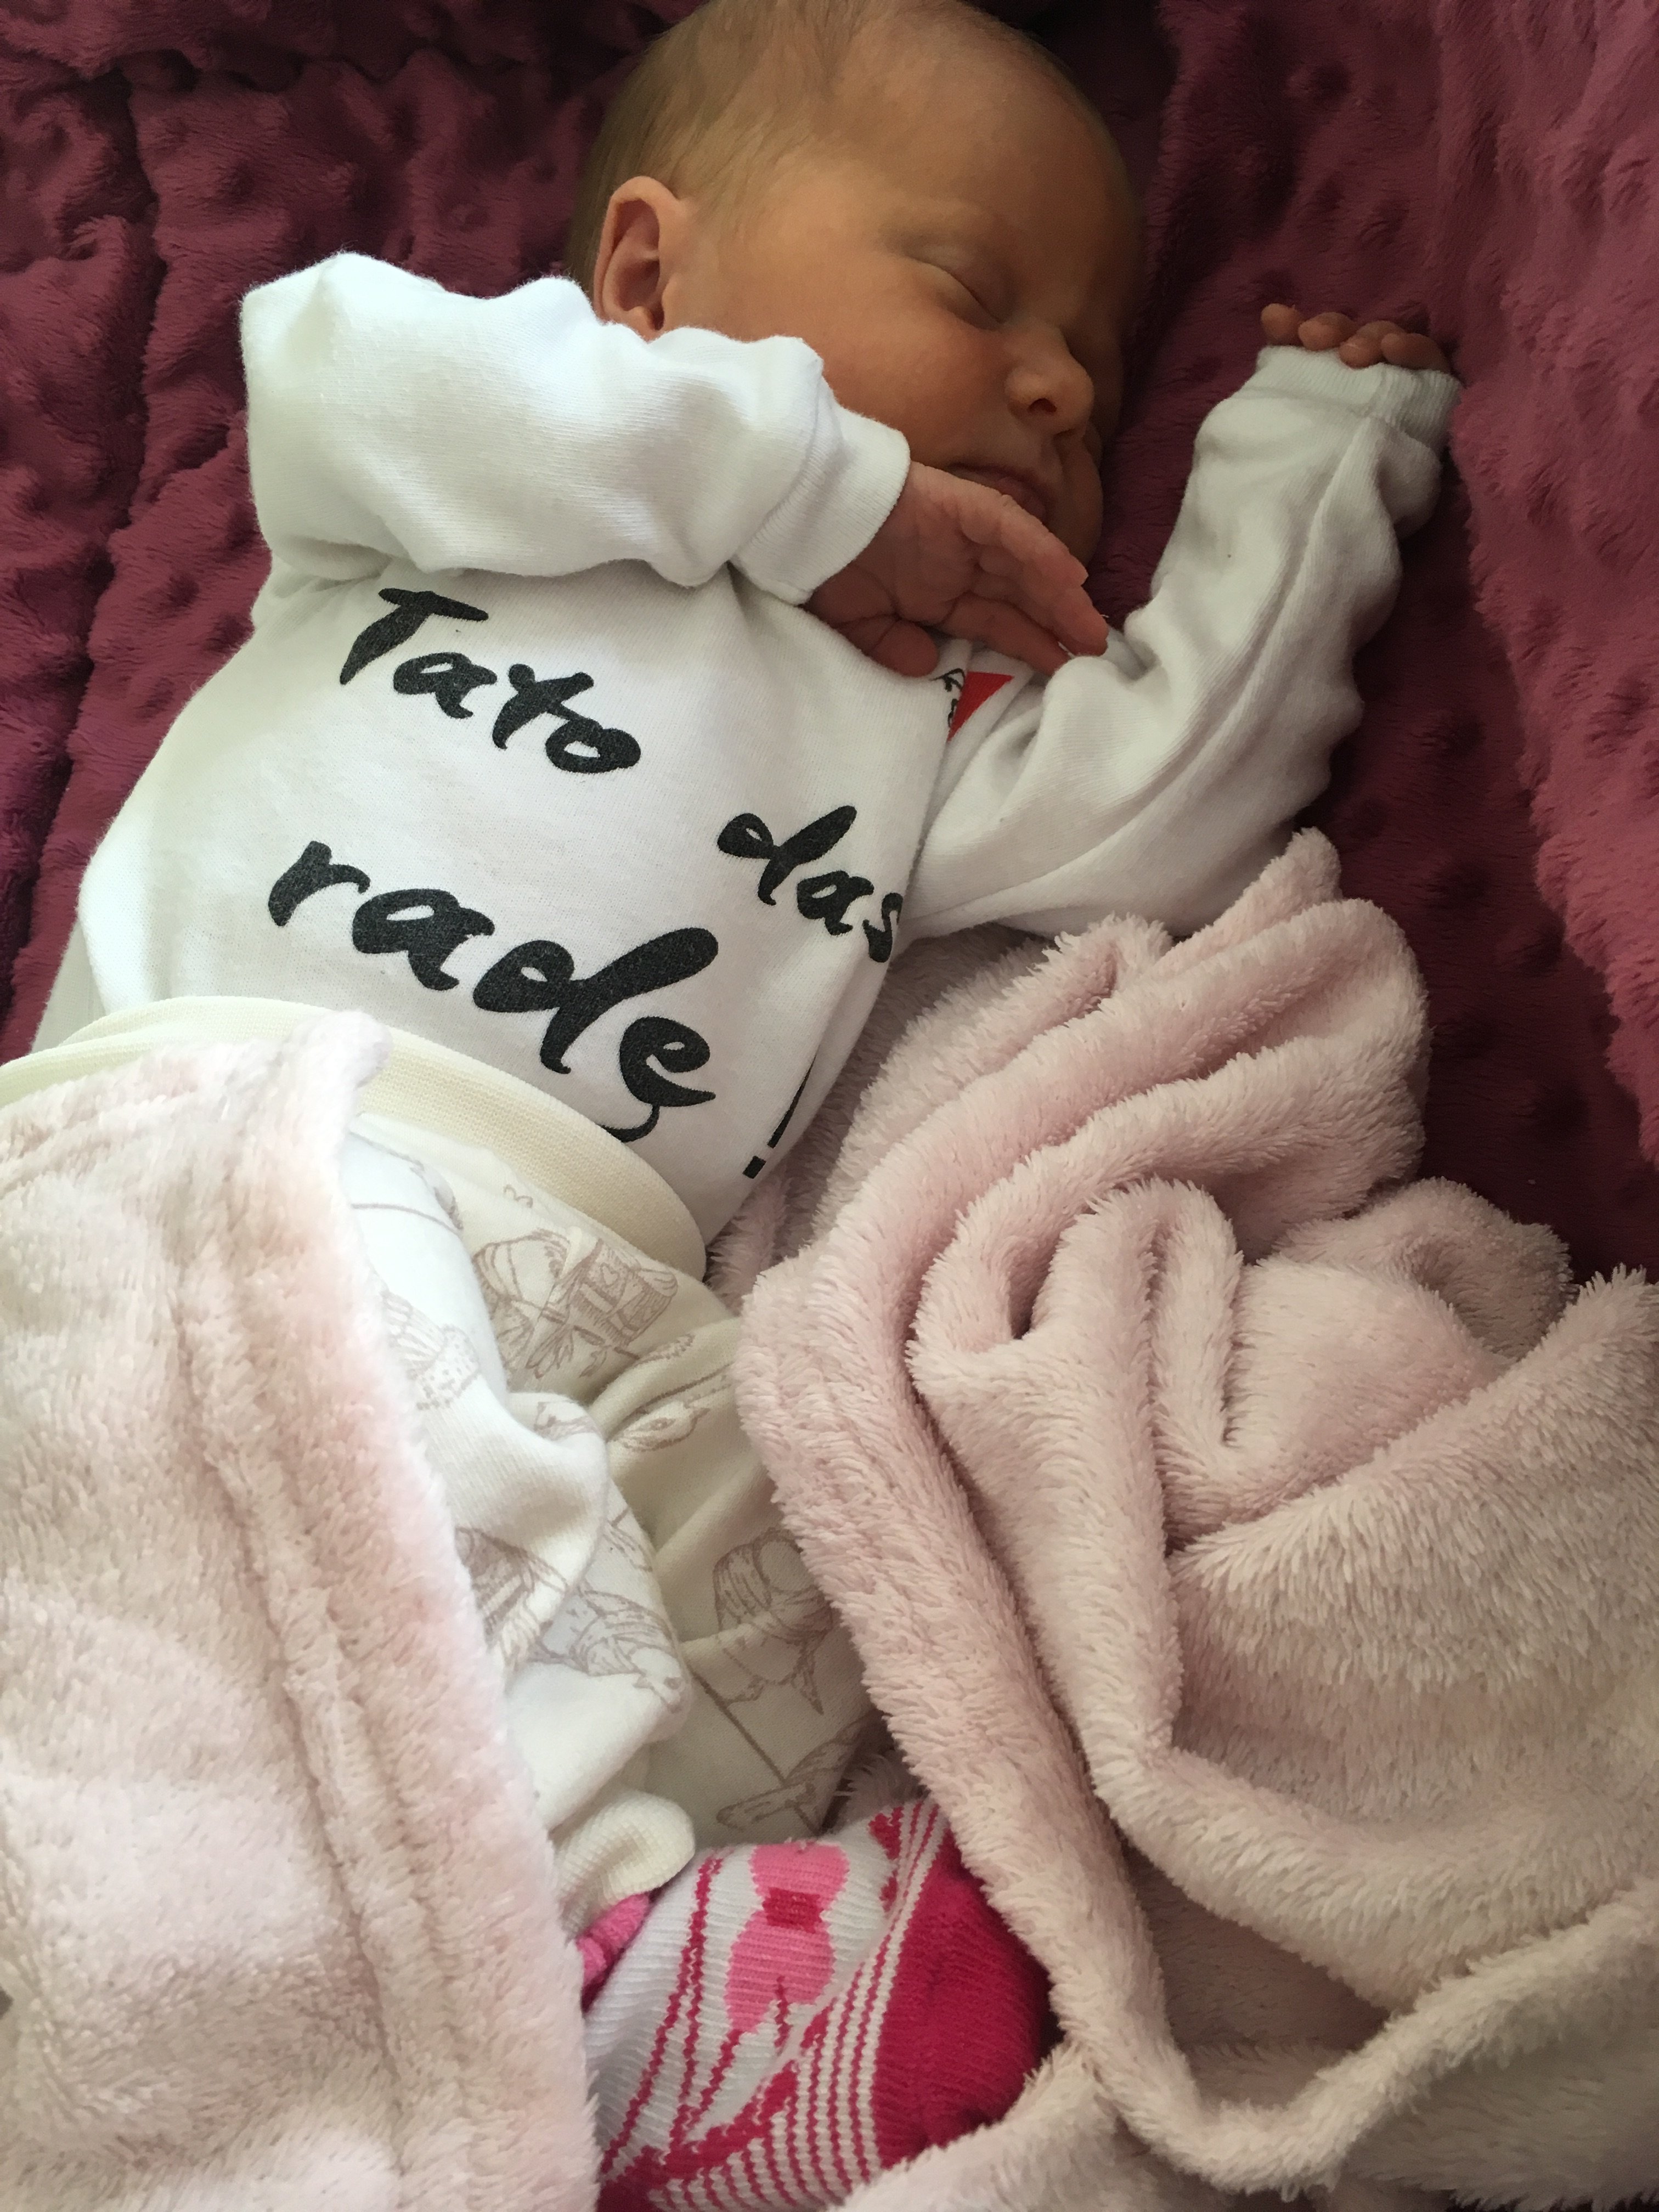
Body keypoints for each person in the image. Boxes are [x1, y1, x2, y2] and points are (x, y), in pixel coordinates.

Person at [24, 0, 1457, 2118]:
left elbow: (1174, 797)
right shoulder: (479, 473)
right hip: (235, 1135)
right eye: (970, 287)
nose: (1060, 387)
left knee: (785, 1565)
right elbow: (331, 354)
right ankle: (602, 1986)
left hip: (606, 1282)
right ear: (644, 271)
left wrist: (1312, 463)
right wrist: (812, 491)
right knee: (366, 1486)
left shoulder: (926, 703)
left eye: (1094, 369)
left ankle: (616, 1942)